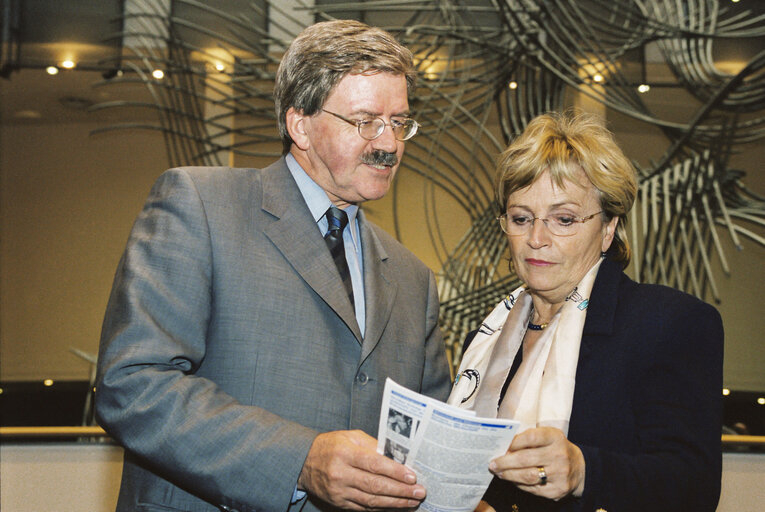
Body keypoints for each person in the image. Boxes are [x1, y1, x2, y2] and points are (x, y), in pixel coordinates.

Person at [95, 20, 451, 512]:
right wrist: (299, 459)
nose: (388, 143)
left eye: (399, 122)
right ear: (300, 124)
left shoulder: (413, 278)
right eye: (365, 120)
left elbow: (425, 440)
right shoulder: (200, 205)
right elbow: (133, 385)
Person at [448, 111, 724, 512]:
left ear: (608, 228)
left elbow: (693, 488)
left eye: (564, 219)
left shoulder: (668, 322)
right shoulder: (486, 338)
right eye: (521, 218)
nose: (536, 239)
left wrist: (583, 471)